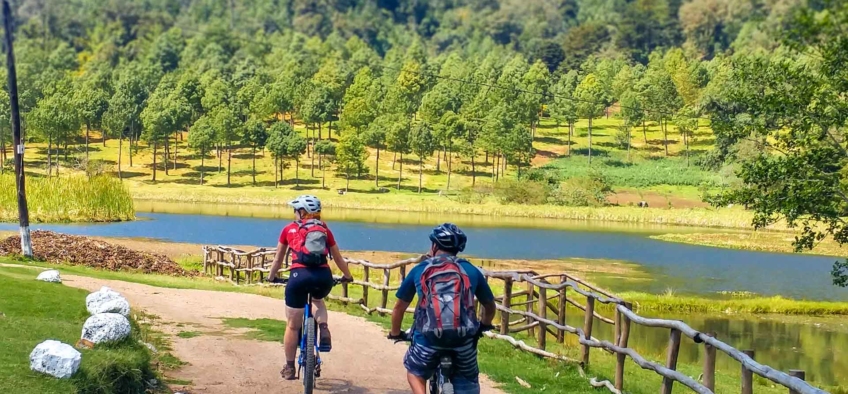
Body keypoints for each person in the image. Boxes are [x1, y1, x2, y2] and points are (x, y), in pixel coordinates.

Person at [388, 223, 497, 394]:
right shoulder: (471, 270)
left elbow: (398, 308)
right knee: (468, 378)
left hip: (427, 340)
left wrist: (395, 332)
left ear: (434, 245)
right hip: (463, 341)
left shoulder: (420, 269)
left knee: (415, 372)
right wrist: (484, 325)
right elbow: (490, 306)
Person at [267, 194, 354, 380]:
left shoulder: (288, 229)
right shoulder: (324, 230)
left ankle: (289, 368)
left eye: (296, 210)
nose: (294, 213)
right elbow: (338, 258)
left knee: (292, 325)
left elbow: (278, 258)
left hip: (298, 277)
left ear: (302, 212)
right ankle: (323, 327)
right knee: (318, 301)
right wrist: (348, 276)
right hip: (323, 276)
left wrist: (271, 276)